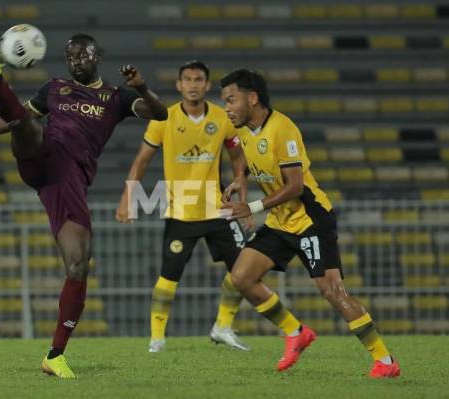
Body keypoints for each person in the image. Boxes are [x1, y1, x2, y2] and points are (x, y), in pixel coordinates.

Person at [0, 34, 168, 379]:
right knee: (27, 125)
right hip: (43, 153)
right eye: (70, 56)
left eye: (82, 55)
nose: (76, 61)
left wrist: (142, 86)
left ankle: (55, 355)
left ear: (97, 56)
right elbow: (13, 120)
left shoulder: (115, 97)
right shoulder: (54, 88)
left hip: (68, 181)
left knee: (78, 265)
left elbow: (161, 113)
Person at [218, 69, 400, 378]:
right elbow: (252, 155)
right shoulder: (247, 129)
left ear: (252, 98)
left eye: (231, 100)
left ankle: (384, 361)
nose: (227, 107)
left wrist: (251, 206)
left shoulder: (283, 128)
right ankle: (296, 332)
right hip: (281, 221)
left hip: (310, 219)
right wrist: (240, 177)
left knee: (334, 293)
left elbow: (295, 187)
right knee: (241, 277)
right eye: (224, 101)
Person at [116, 61, 251, 353]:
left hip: (217, 208)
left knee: (243, 271)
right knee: (169, 276)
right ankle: (157, 338)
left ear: (206, 85)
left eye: (198, 79)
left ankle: (223, 326)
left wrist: (240, 184)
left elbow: (238, 156)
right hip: (181, 211)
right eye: (187, 79)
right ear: (179, 85)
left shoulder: (222, 118)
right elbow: (141, 160)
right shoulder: (163, 118)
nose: (192, 84)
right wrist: (128, 197)